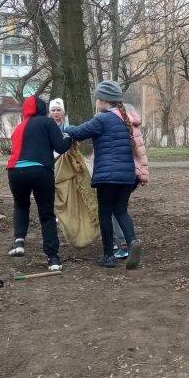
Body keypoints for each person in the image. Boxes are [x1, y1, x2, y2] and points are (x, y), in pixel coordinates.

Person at [63, 80, 143, 270]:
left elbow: (79, 132)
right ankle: (132, 241)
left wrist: (64, 128)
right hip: (127, 176)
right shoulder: (125, 118)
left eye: (97, 98)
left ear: (104, 100)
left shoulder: (103, 118)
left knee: (105, 213)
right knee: (121, 210)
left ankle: (108, 255)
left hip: (107, 176)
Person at [6, 95, 72, 271]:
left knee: (21, 206)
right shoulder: (47, 122)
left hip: (15, 172)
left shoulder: (19, 127)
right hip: (40, 171)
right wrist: (69, 137)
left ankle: (19, 241)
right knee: (47, 214)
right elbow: (60, 147)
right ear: (43, 109)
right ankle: (53, 259)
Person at [111, 104, 149, 261]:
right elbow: (141, 152)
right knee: (119, 208)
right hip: (134, 173)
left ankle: (124, 243)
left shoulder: (118, 123)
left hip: (122, 172)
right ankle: (126, 242)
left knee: (114, 209)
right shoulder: (134, 125)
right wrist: (143, 173)